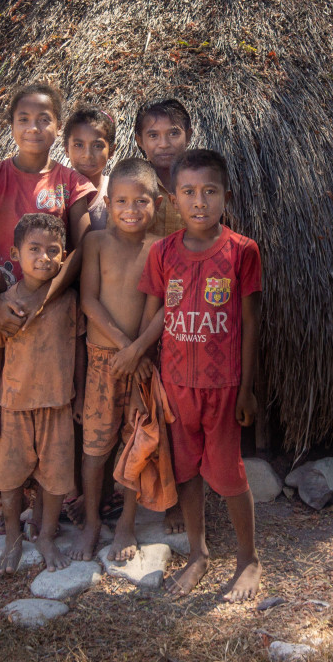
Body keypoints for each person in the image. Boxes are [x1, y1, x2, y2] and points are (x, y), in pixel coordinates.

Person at [123, 148, 263, 601]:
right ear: (173, 198)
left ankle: (248, 559)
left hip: (223, 388)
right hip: (176, 383)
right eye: (188, 192)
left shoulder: (243, 251)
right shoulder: (162, 252)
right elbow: (154, 315)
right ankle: (198, 554)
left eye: (209, 191)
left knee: (229, 473)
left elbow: (251, 325)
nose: (199, 201)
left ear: (226, 195)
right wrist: (143, 361)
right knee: (186, 471)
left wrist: (247, 389)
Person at [70, 157, 162, 562]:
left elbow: (159, 308)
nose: (131, 210)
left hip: (141, 360)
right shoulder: (96, 243)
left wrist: (138, 351)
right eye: (122, 201)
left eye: (141, 201)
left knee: (135, 442)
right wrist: (127, 347)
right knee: (95, 446)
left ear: (156, 203)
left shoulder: (159, 249)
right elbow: (88, 299)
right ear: (108, 201)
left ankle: (126, 520)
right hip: (104, 359)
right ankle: (92, 522)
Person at [0, 212, 83, 574]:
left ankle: (46, 535)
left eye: (53, 250)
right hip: (13, 405)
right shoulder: (4, 302)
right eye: (34, 249)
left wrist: (80, 396)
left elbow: (80, 350)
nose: (44, 257)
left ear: (64, 254)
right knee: (9, 479)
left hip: (58, 402)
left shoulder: (68, 300)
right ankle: (12, 538)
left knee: (55, 477)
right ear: (15, 253)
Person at [0, 82, 96, 342]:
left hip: (54, 307)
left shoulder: (72, 183)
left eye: (44, 120)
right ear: (11, 125)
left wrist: (42, 298)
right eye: (23, 119)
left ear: (58, 127)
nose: (33, 128)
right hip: (4, 304)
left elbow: (82, 249)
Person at [132, 99, 191, 238]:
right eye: (153, 135)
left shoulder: (202, 183)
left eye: (173, 133)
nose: (164, 144)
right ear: (140, 141)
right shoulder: (131, 184)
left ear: (188, 136)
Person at [65, 107, 116, 232]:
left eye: (97, 146)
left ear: (111, 151)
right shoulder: (56, 193)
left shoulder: (116, 191)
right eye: (79, 145)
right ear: (66, 149)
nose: (87, 154)